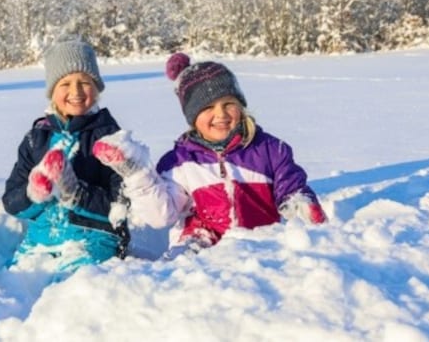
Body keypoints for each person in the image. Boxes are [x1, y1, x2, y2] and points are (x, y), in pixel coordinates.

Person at [92, 52, 326, 259]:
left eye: (228, 104)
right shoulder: (180, 162)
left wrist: (301, 206)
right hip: (200, 242)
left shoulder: (270, 150)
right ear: (192, 117)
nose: (221, 114)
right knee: (183, 268)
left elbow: (291, 187)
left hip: (259, 242)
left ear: (241, 106)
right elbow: (161, 216)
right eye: (207, 108)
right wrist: (136, 175)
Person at [2, 37, 129, 272]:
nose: (76, 91)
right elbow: (11, 202)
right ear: (52, 91)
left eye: (85, 82)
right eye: (65, 84)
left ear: (97, 87)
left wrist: (76, 194)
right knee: (15, 281)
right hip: (41, 240)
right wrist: (34, 194)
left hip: (94, 239)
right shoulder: (36, 138)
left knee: (73, 286)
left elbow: (122, 204)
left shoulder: (109, 137)